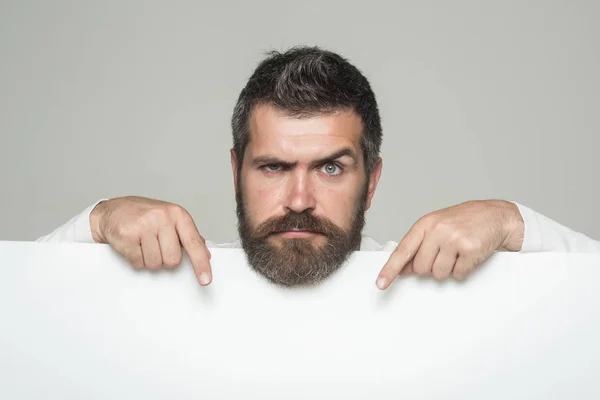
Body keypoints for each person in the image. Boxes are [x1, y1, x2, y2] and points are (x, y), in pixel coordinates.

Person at [36, 46, 600, 290]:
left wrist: (509, 221)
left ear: (372, 181)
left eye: (331, 168)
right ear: (237, 171)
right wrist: (98, 220)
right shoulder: (167, 283)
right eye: (274, 167)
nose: (300, 199)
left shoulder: (431, 287)